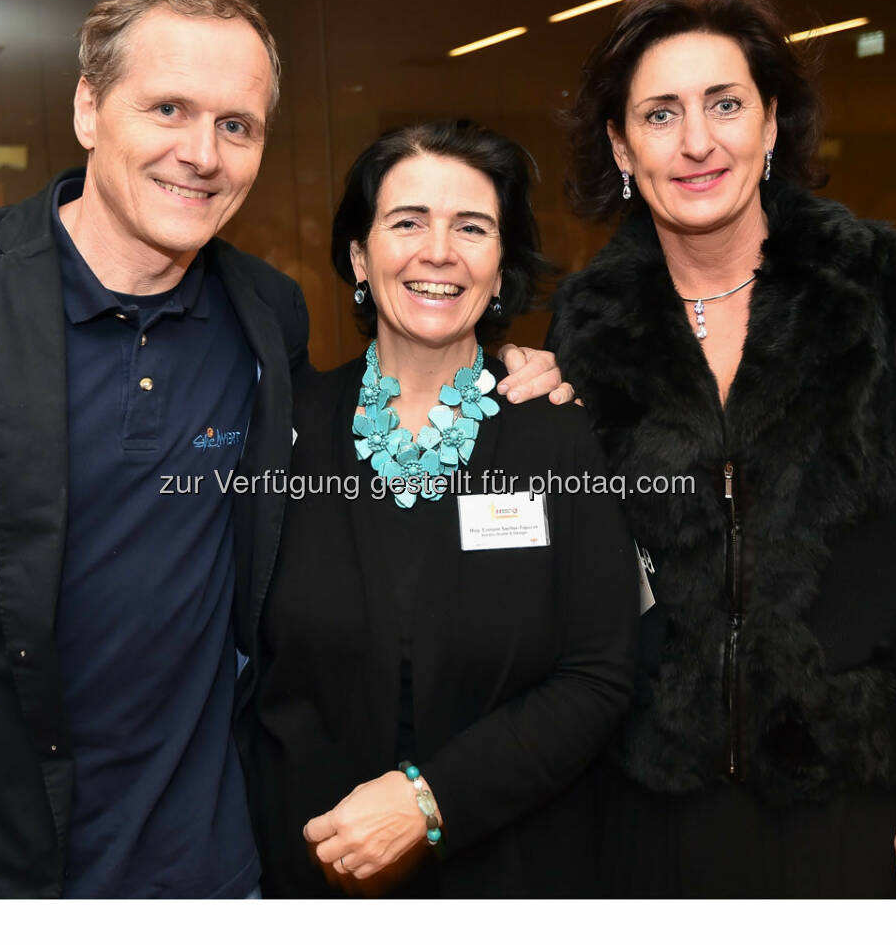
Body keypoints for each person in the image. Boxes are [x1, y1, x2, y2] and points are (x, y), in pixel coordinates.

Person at [0, 0, 565, 899]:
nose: (202, 152)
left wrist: (509, 368)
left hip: (215, 854)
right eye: (168, 109)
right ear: (88, 108)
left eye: (237, 126)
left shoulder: (264, 315)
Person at [548, 0, 896, 899]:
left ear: (771, 123)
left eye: (725, 104)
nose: (697, 141)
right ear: (621, 146)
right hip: (649, 801)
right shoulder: (589, 322)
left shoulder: (875, 281)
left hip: (852, 792)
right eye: (660, 113)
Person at [239, 119, 638, 897]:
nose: (439, 251)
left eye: (472, 227)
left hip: (516, 875)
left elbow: (599, 676)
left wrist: (429, 802)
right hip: (308, 879)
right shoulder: (280, 436)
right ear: (359, 256)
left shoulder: (558, 435)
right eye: (408, 221)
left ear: (500, 266)